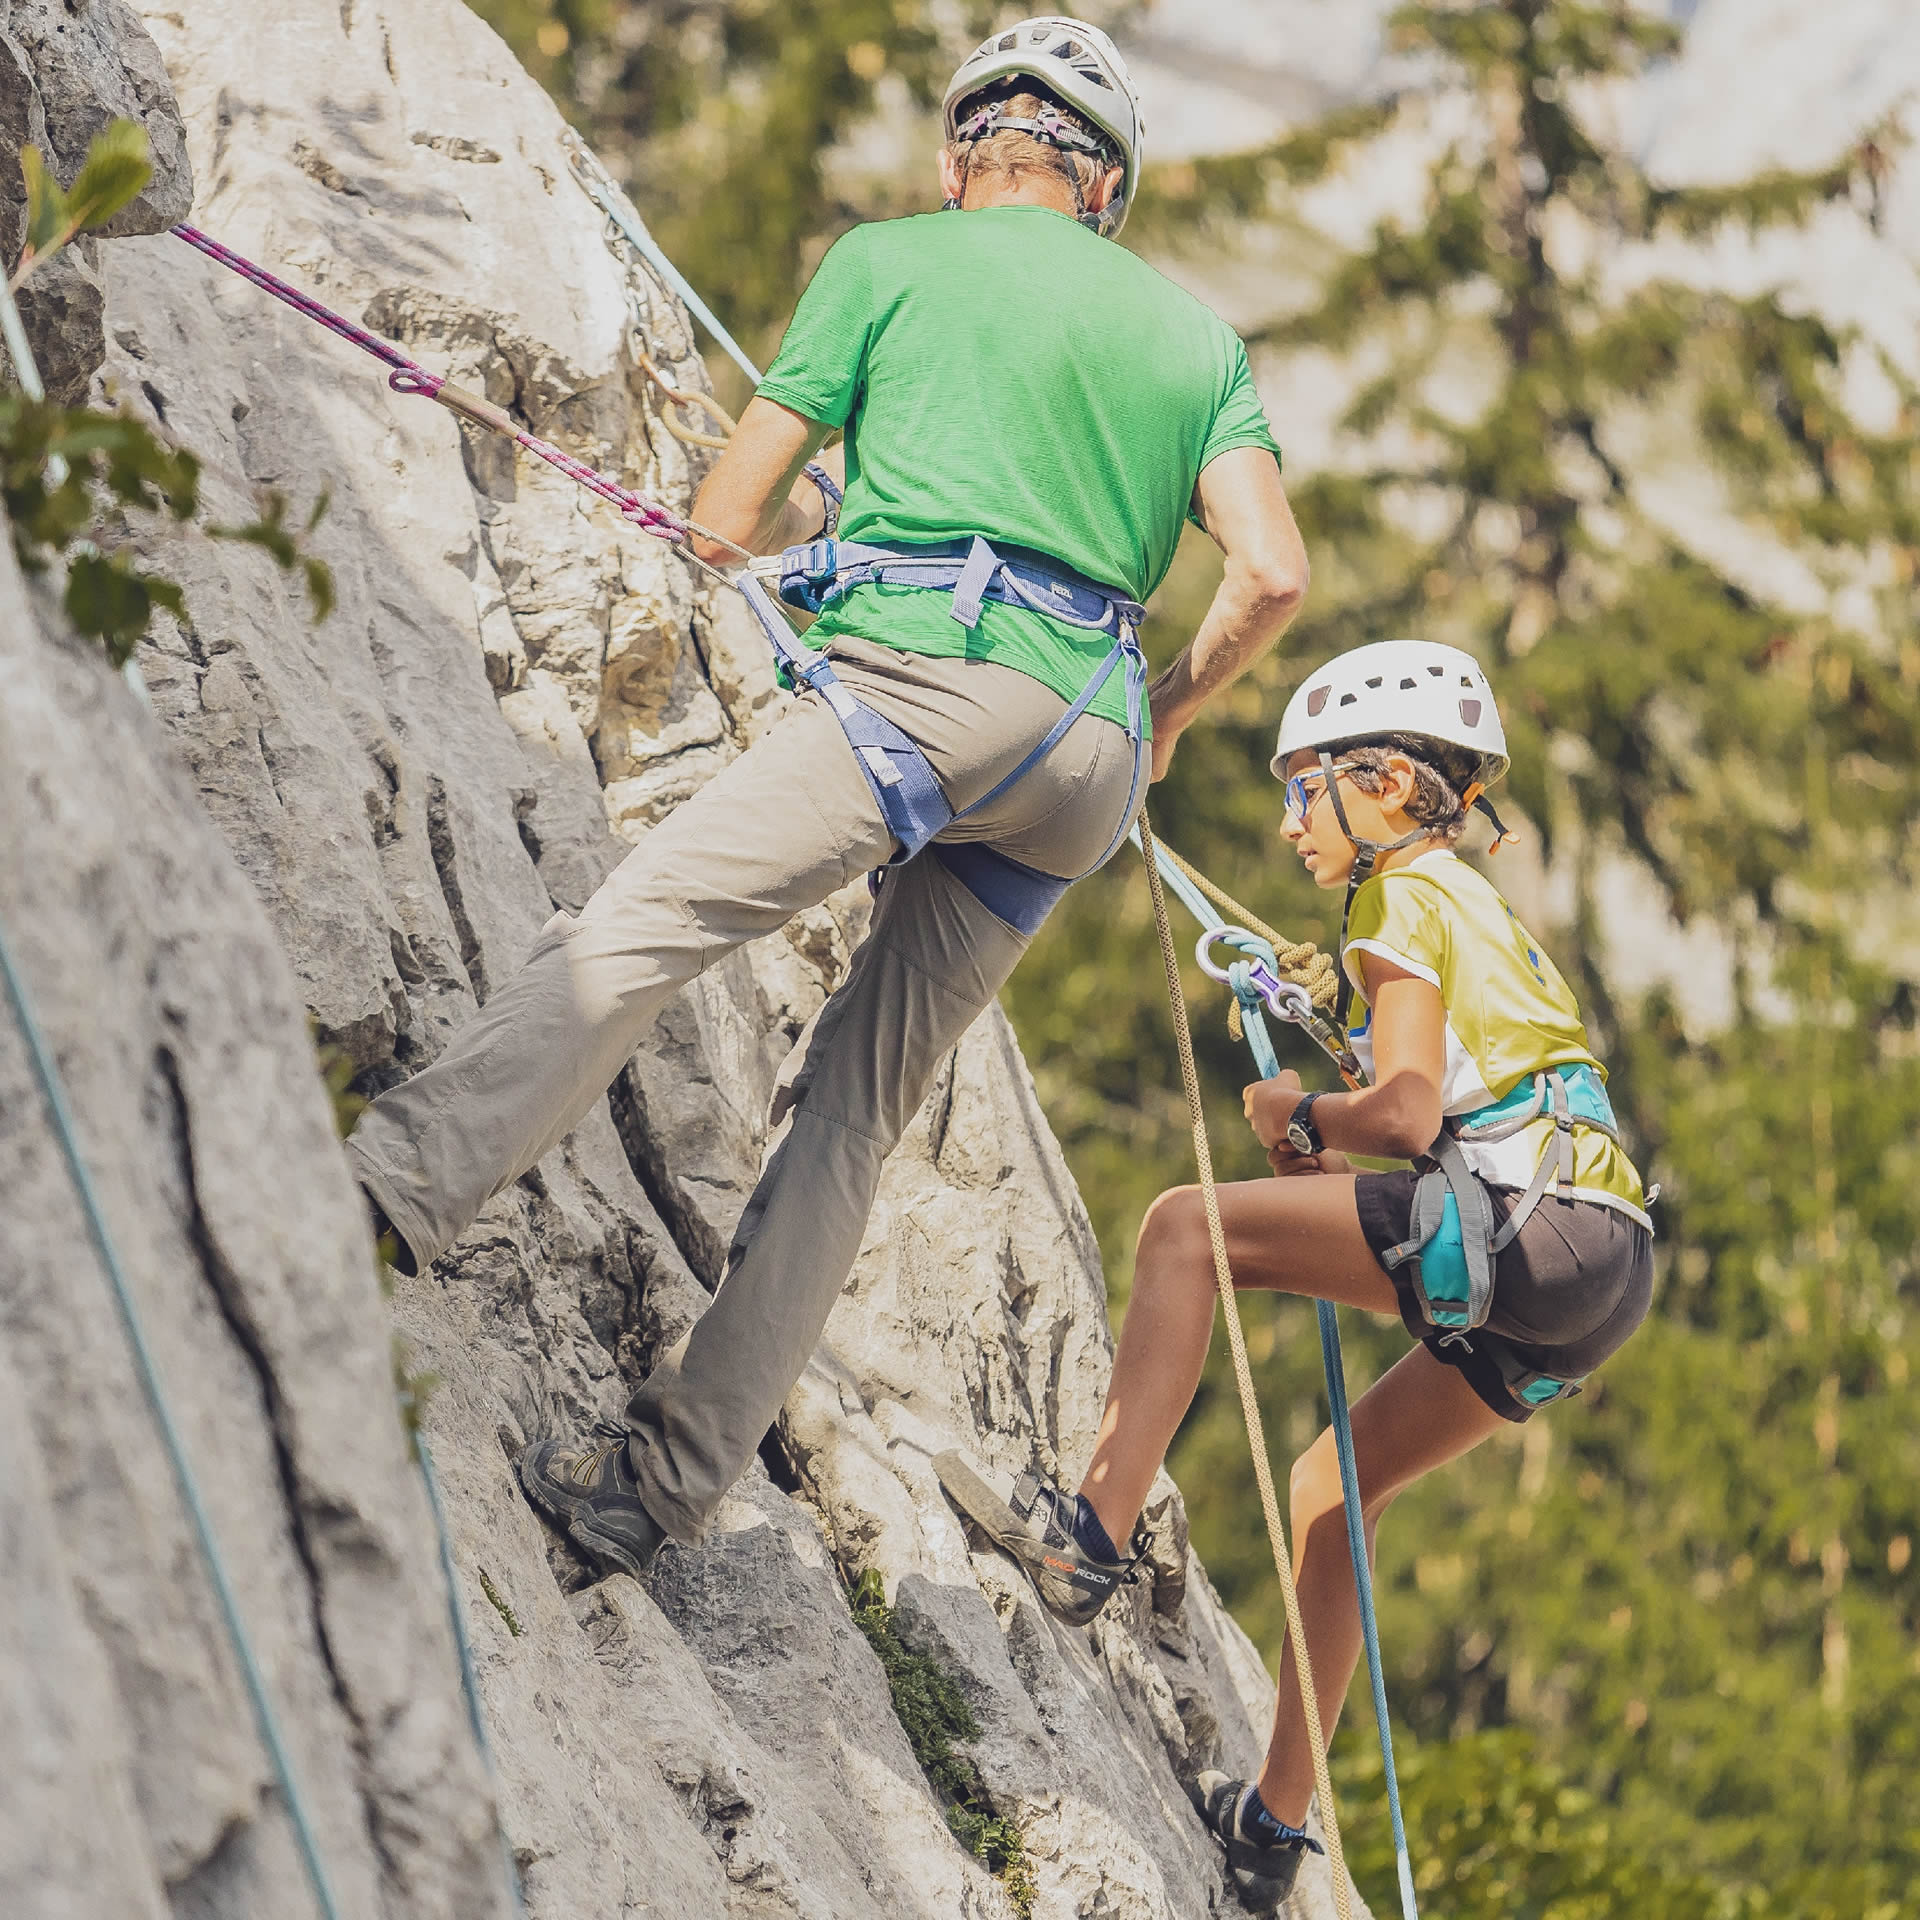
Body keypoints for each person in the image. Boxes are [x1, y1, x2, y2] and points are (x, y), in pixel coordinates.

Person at [345, 16, 1309, 1580]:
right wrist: (1176, 712)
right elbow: (1271, 571)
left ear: (963, 156)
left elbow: (718, 526)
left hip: (925, 687)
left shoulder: (888, 260)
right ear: (1105, 189)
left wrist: (808, 533)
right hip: (1090, 753)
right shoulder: (1198, 341)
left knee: (652, 920)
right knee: (856, 1109)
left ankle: (387, 1193)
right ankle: (650, 1494)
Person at [936, 640, 1654, 1910]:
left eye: (1302, 788)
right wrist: (1324, 1124)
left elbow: (1409, 1113)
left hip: (1521, 1225)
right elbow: (1417, 1146)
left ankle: (1088, 1536)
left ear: (1380, 782)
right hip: (1598, 1265)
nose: (1286, 822)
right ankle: (1273, 1827)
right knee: (1331, 1489)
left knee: (1180, 1230)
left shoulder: (1397, 901)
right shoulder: (1477, 911)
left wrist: (1303, 1111)